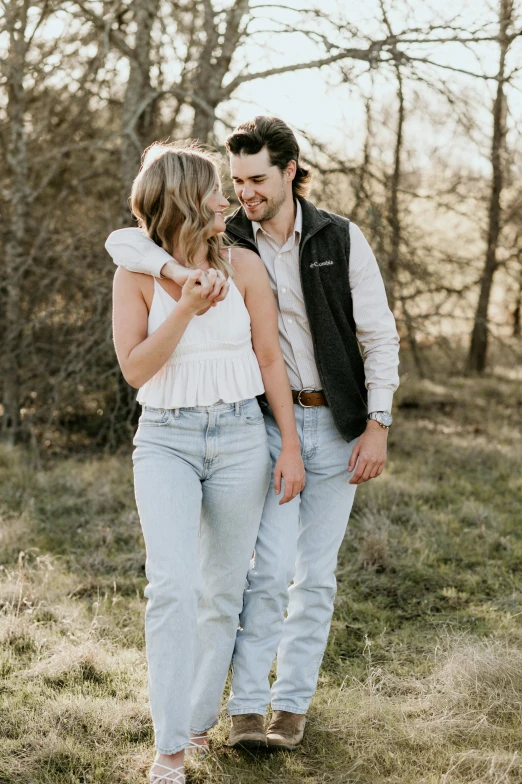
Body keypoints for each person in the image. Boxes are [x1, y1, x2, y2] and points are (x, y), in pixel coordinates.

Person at [107, 116, 400, 753]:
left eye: (256, 179)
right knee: (261, 572)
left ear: (291, 170)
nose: (243, 193)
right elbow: (131, 242)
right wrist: (181, 281)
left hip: (338, 423)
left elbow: (378, 335)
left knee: (313, 577)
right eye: (234, 181)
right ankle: (241, 708)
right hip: (262, 424)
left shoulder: (339, 239)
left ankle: (289, 706)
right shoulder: (225, 236)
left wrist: (378, 424)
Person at [111, 140, 304, 783]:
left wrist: (291, 446)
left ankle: (195, 724)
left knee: (222, 590)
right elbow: (137, 369)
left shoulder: (244, 265)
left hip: (241, 438)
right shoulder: (137, 272)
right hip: (165, 438)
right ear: (187, 200)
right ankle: (168, 751)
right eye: (216, 192)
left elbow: (270, 361)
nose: (228, 201)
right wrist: (186, 309)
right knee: (171, 588)